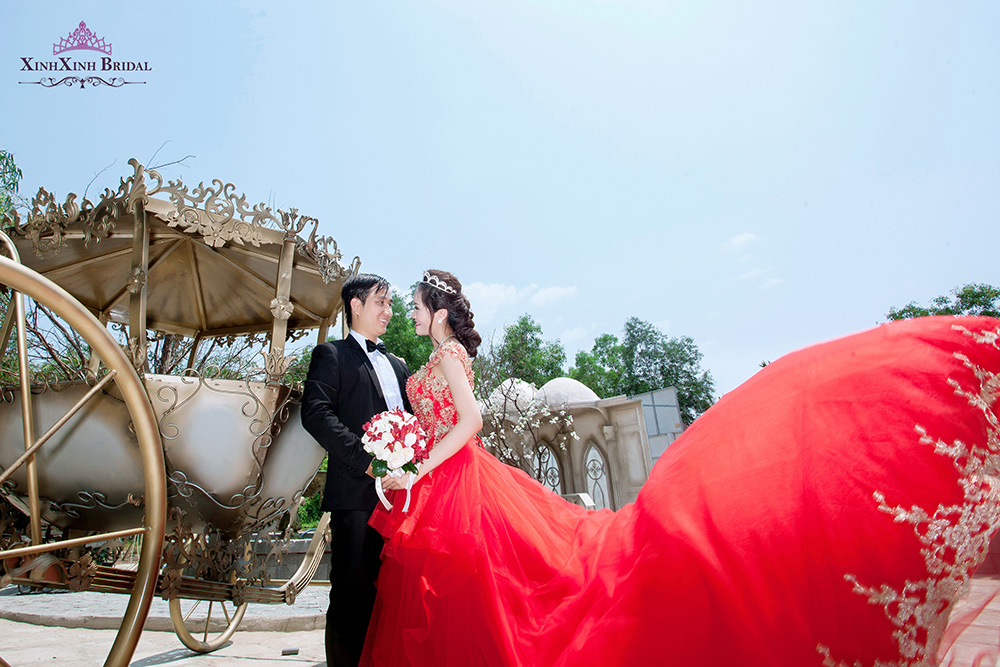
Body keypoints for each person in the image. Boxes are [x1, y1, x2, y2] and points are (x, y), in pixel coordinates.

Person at [361, 269, 1000, 667]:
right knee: (459, 591)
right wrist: (403, 454)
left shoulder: (449, 355)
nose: (410, 314)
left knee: (485, 589)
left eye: (414, 305)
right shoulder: (432, 357)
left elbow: (470, 422)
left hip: (457, 478)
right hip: (440, 477)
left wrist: (417, 467)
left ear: (438, 310)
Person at [300, 273, 412, 667]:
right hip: (356, 497)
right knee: (352, 595)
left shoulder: (398, 365)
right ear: (356, 305)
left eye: (391, 303)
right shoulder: (331, 355)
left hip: (404, 498)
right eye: (381, 302)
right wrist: (367, 462)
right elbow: (315, 414)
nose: (389, 311)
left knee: (395, 597)